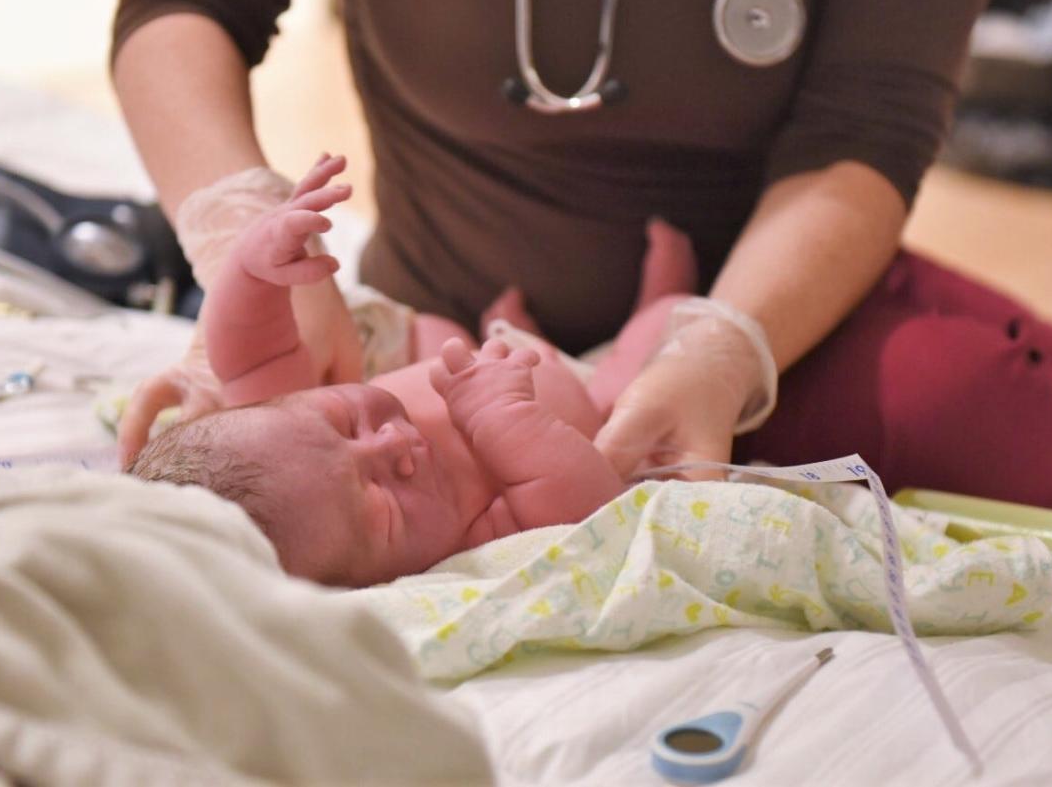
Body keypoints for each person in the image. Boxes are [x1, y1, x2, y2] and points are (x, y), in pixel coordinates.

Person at [111, 0, 1052, 513]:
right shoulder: (381, 408)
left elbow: (868, 129)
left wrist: (722, 352)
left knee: (1005, 424)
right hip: (437, 330)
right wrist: (238, 230)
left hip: (775, 317)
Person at [128, 155, 719, 585]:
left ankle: (511, 327)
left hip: (467, 364)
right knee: (655, 350)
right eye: (382, 503)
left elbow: (252, 351)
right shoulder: (457, 545)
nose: (388, 443)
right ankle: (655, 298)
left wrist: (254, 269)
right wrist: (505, 421)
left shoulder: (275, 433)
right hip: (590, 403)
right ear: (368, 584)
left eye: (342, 419)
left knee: (430, 335)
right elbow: (586, 510)